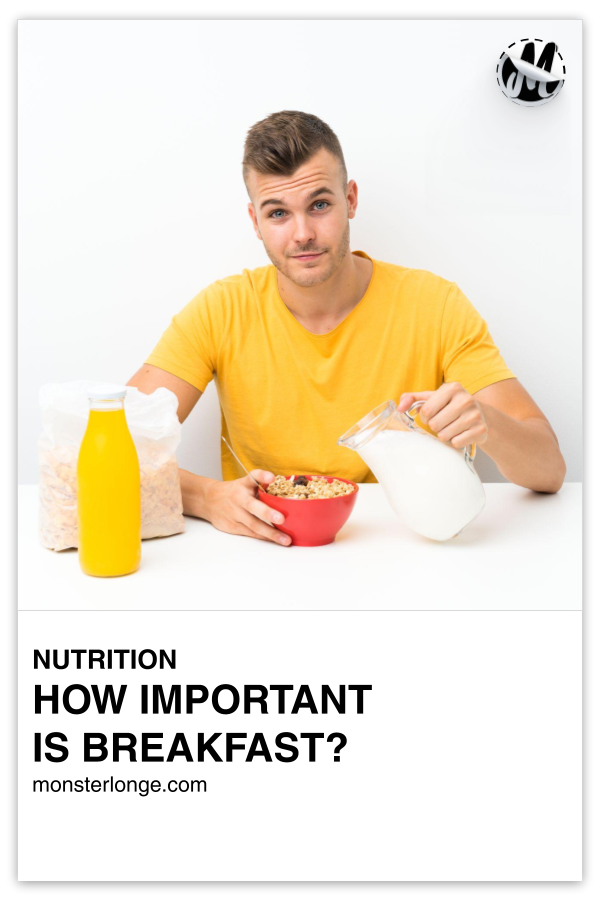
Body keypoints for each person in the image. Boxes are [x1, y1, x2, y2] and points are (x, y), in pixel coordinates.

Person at [128, 110, 566, 547]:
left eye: (319, 205)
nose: (302, 234)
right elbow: (113, 444)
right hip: (264, 555)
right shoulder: (220, 311)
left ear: (351, 199)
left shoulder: (434, 304)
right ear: (254, 221)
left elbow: (549, 469)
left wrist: (485, 420)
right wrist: (206, 497)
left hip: (408, 548)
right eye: (278, 213)